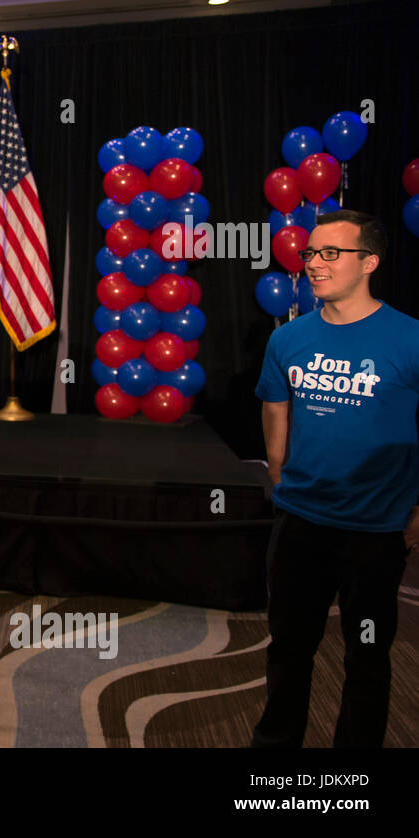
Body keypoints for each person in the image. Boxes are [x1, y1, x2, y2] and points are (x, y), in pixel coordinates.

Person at [253, 209, 419, 748]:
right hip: (300, 521)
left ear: (369, 262)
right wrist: (280, 473)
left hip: (375, 530)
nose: (313, 264)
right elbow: (274, 407)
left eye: (330, 253)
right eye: (309, 253)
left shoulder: (410, 339)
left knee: (366, 656)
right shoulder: (288, 339)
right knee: (287, 649)